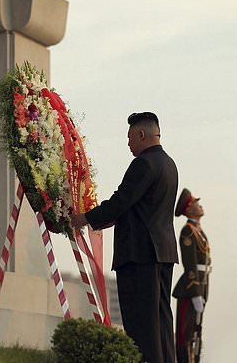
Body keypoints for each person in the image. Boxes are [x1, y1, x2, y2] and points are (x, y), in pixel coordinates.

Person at [71, 112, 179, 363]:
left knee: (141, 326)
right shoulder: (169, 164)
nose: (128, 143)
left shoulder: (144, 164)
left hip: (139, 254)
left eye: (130, 137)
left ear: (141, 134)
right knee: (161, 323)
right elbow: (137, 207)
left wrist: (85, 217)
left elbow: (122, 201)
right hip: (162, 253)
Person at [172, 188, 211, 363]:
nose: (199, 205)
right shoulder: (188, 231)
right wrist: (195, 292)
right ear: (188, 210)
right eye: (195, 203)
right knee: (185, 334)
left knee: (196, 331)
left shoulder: (198, 231)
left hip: (201, 285)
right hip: (190, 288)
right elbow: (190, 266)